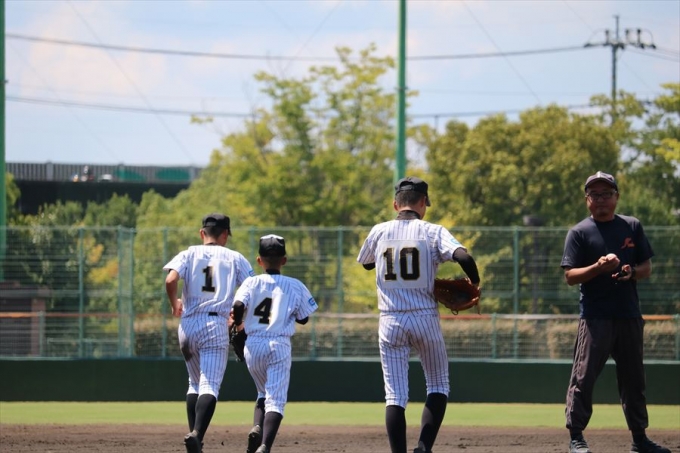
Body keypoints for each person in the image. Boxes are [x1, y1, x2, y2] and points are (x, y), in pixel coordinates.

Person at [356, 176, 480, 453]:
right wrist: (475, 282)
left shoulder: (379, 231)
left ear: (395, 204)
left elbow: (366, 263)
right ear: (423, 203)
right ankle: (423, 447)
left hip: (390, 319)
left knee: (395, 395)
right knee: (438, 384)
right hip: (424, 316)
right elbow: (463, 257)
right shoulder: (433, 231)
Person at [561, 172, 669, 453]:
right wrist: (598, 267)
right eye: (595, 194)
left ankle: (639, 439)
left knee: (634, 380)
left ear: (616, 197)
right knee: (583, 378)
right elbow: (570, 276)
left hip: (628, 315)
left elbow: (646, 267)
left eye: (606, 194)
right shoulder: (579, 232)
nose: (601, 199)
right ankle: (576, 437)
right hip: (595, 318)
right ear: (587, 200)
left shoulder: (631, 226)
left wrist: (631, 272)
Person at [164, 213, 255, 453]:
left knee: (194, 383)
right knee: (210, 385)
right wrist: (238, 318)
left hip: (187, 325)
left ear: (202, 233)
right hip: (214, 324)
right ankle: (196, 435)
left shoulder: (188, 253)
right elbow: (252, 289)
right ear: (225, 234)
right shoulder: (235, 258)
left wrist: (174, 304)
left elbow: (170, 279)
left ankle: (196, 440)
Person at [230, 234, 318, 453]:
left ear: (259, 260)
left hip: (253, 344)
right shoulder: (295, 285)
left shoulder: (251, 282)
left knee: (263, 392)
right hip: (278, 344)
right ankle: (265, 447)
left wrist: (239, 325)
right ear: (284, 260)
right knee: (276, 400)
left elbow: (238, 305)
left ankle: (257, 426)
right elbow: (304, 318)